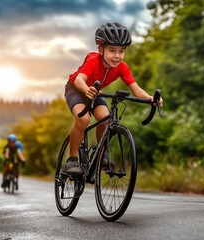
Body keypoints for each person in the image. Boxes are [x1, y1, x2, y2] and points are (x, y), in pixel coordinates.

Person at [62, 22, 163, 176]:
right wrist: (86, 89)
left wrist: (150, 98)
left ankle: (99, 152)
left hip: (96, 92)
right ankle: (72, 159)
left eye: (122, 51)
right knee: (83, 120)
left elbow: (135, 89)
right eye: (112, 50)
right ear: (100, 49)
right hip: (76, 90)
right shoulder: (93, 59)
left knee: (105, 119)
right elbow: (79, 80)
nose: (117, 56)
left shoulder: (122, 67)